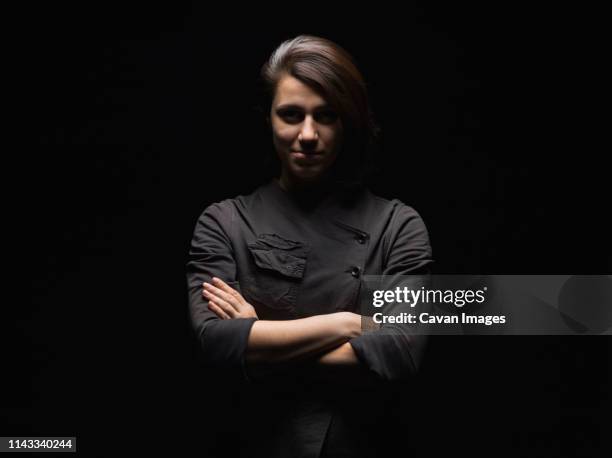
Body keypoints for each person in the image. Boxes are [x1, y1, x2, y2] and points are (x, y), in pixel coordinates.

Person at [186, 35, 433, 458]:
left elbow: (402, 349)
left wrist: (260, 342)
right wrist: (349, 323)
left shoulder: (398, 225)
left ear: (348, 122)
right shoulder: (224, 222)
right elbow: (216, 342)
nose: (307, 135)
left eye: (326, 116)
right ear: (268, 118)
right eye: (290, 115)